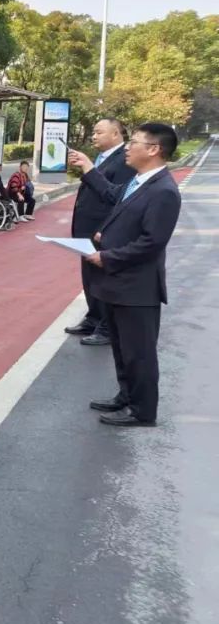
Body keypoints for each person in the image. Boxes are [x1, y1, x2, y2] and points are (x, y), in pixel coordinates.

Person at [77, 123, 182, 427]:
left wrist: (106, 256)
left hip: (138, 288)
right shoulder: (138, 182)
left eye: (134, 142)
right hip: (118, 283)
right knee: (123, 350)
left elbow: (151, 242)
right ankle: (126, 396)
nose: (127, 147)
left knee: (139, 353)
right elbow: (115, 203)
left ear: (153, 150)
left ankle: (142, 411)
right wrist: (104, 233)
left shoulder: (163, 191)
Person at [65, 118, 135, 346]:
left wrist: (107, 229)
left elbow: (117, 197)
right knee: (90, 277)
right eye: (93, 132)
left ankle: (107, 327)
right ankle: (94, 317)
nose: (93, 136)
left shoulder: (124, 160)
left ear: (116, 134)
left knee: (104, 279)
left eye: (99, 132)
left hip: (102, 230)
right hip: (87, 228)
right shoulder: (103, 157)